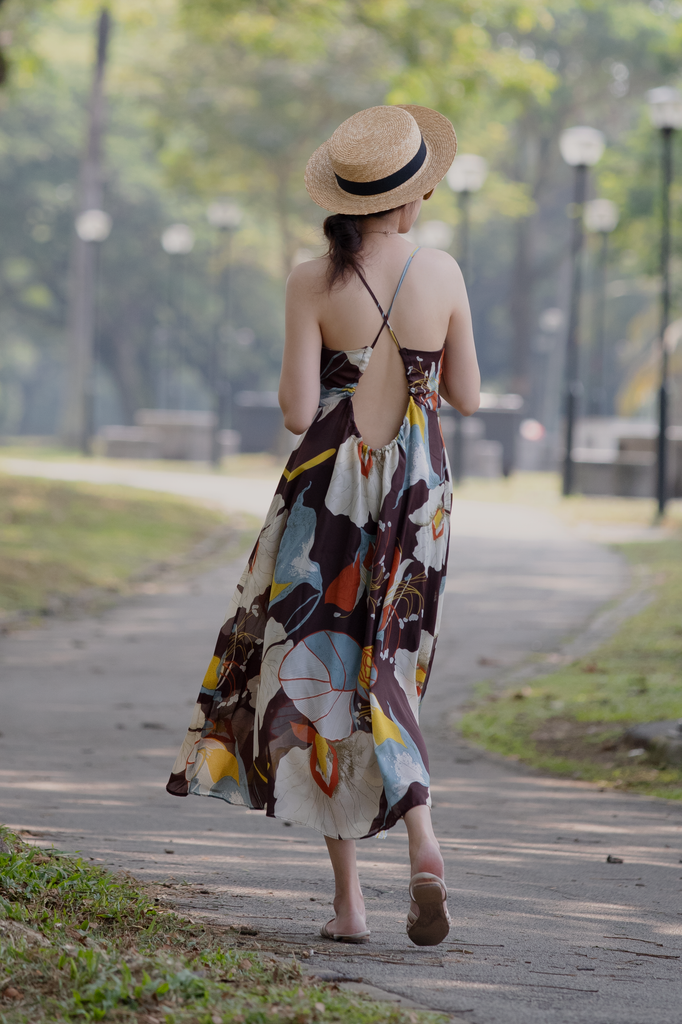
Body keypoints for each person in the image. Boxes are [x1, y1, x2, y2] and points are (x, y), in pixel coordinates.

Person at [167, 104, 480, 948]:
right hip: (416, 492)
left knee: (320, 672)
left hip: (324, 493)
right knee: (391, 666)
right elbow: (468, 396)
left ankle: (349, 907)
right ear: (410, 199)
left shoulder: (310, 278)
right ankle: (423, 838)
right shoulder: (441, 271)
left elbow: (299, 409)